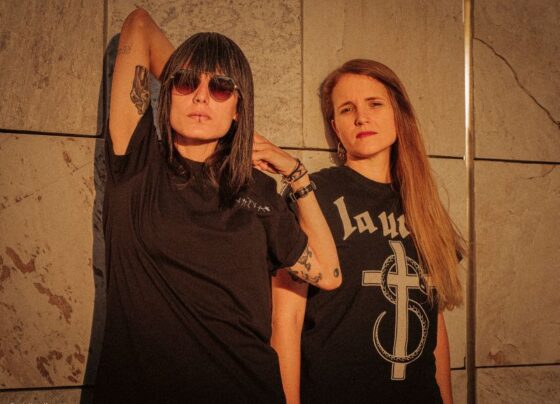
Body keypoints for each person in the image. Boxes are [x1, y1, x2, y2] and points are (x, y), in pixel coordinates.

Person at [94, 8, 340, 403]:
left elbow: (328, 273)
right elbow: (139, 24)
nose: (201, 96)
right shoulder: (137, 165)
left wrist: (296, 174)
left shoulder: (256, 189)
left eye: (222, 87)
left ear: (240, 108)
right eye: (187, 82)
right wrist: (198, 80)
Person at [271, 59, 464, 404]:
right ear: (335, 126)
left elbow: (434, 323)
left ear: (398, 113)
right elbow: (286, 318)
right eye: (347, 109)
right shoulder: (312, 196)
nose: (361, 118)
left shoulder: (423, 204)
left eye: (375, 104)